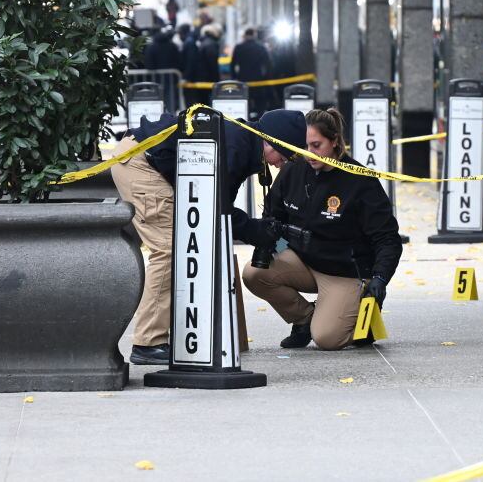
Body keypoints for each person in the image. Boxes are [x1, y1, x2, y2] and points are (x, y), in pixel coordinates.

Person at [110, 108, 308, 365]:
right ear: (270, 140)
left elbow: (219, 207)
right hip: (141, 164)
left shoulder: (244, 144)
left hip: (144, 159)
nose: (283, 163)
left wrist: (251, 228)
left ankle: (173, 335)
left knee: (186, 247)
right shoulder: (237, 148)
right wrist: (254, 230)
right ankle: (148, 342)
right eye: (284, 154)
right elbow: (214, 206)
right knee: (171, 250)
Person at [243, 108, 403, 351]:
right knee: (254, 273)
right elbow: (271, 216)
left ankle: (360, 316)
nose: (309, 153)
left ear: (335, 141)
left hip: (344, 271)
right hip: (304, 261)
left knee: (328, 339)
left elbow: (388, 237)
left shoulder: (360, 180)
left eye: (317, 145)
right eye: (304, 146)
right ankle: (304, 319)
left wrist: (380, 277)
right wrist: (272, 244)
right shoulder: (293, 169)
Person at [230, 27, 272, 118]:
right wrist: (266, 78)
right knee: (260, 105)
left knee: (245, 104)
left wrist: (235, 77)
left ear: (245, 35)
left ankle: (246, 126)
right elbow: (268, 64)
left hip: (243, 80)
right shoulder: (261, 47)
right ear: (254, 35)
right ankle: (260, 125)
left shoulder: (239, 47)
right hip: (258, 80)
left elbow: (233, 64)